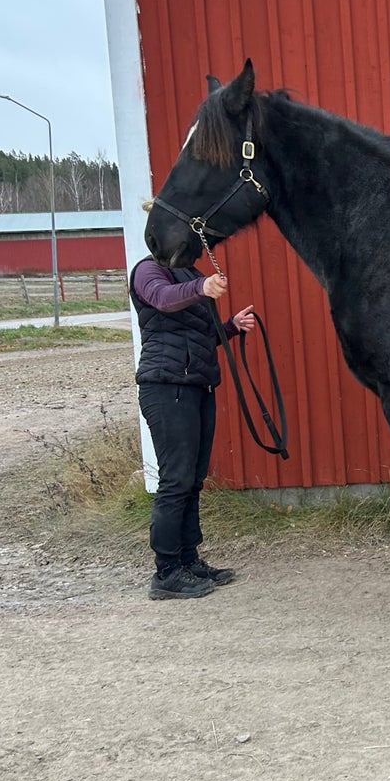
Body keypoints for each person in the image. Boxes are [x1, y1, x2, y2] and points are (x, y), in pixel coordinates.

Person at [130, 253, 256, 600]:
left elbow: (197, 335)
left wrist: (230, 326)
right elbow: (162, 299)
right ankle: (166, 571)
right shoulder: (148, 270)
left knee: (192, 481)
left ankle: (188, 559)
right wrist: (201, 286)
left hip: (197, 386)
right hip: (166, 386)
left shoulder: (188, 273)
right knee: (176, 481)